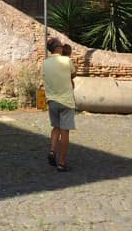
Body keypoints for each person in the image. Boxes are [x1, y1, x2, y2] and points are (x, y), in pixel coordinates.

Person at [42, 37, 76, 172]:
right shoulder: (67, 60)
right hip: (66, 101)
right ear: (58, 48)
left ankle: (52, 151)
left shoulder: (45, 63)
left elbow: (45, 77)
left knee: (55, 127)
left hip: (52, 100)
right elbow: (73, 74)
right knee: (64, 131)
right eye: (61, 46)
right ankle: (62, 162)